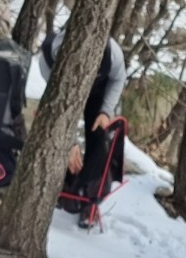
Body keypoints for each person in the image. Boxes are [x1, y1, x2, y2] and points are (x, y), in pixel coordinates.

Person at [39, 26, 127, 226]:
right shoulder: (48, 59)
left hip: (99, 90)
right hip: (64, 93)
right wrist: (70, 142)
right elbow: (59, 107)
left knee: (100, 136)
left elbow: (118, 78)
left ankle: (90, 198)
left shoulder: (111, 52)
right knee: (58, 137)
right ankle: (65, 188)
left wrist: (106, 111)